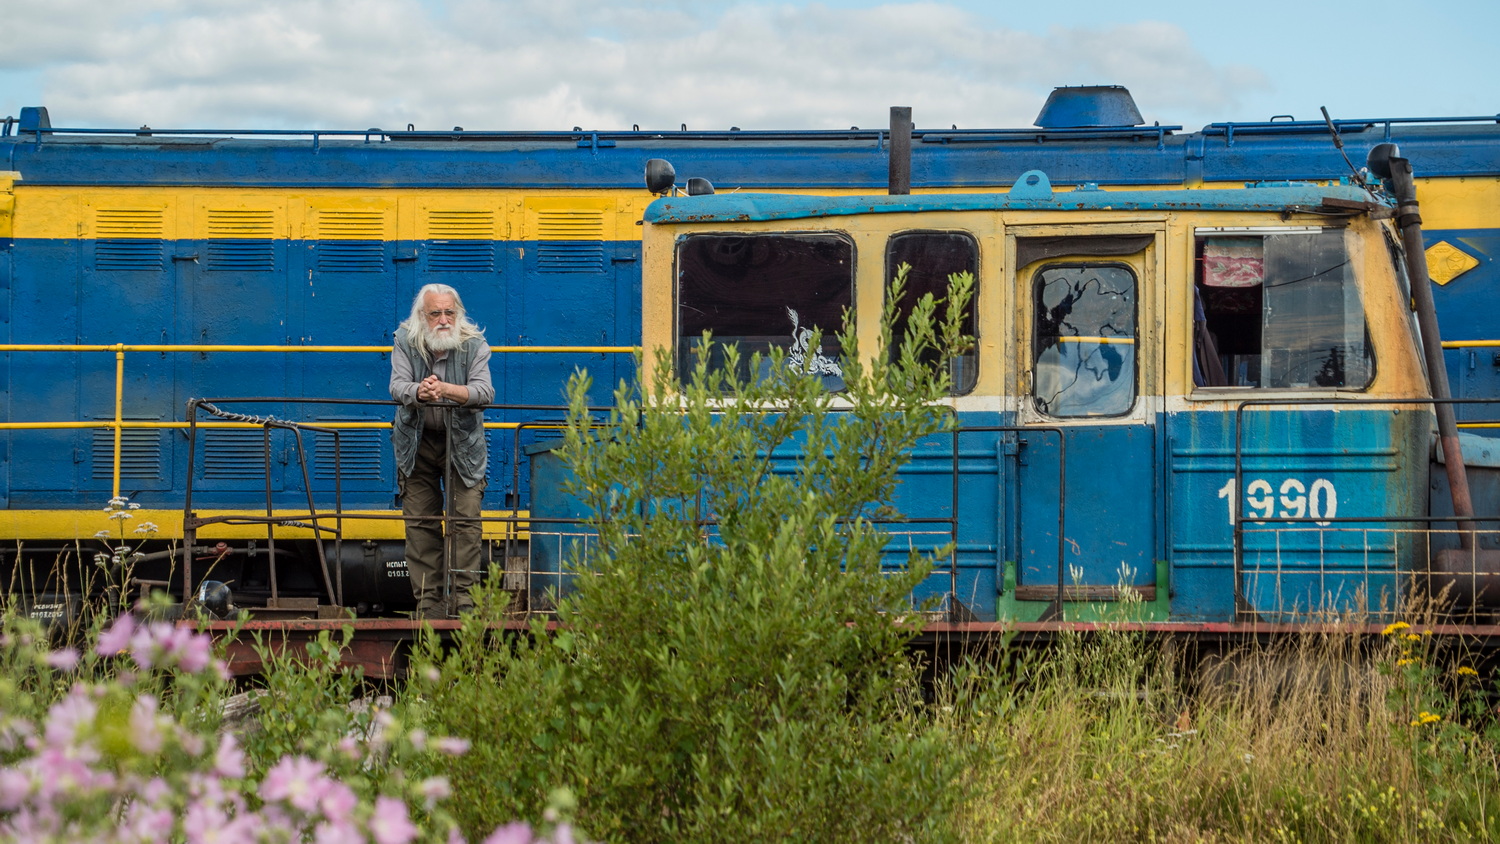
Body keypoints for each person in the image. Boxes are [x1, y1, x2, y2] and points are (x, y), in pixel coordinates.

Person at [389, 284, 494, 618]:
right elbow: (396, 386)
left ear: (458, 312)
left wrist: (445, 389)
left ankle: (465, 605)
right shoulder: (404, 340)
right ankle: (428, 607)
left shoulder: (475, 344)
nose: (444, 320)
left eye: (450, 312)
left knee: (466, 522)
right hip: (415, 445)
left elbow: (484, 391)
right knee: (420, 524)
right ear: (423, 316)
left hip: (462, 446)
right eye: (436, 313)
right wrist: (419, 391)